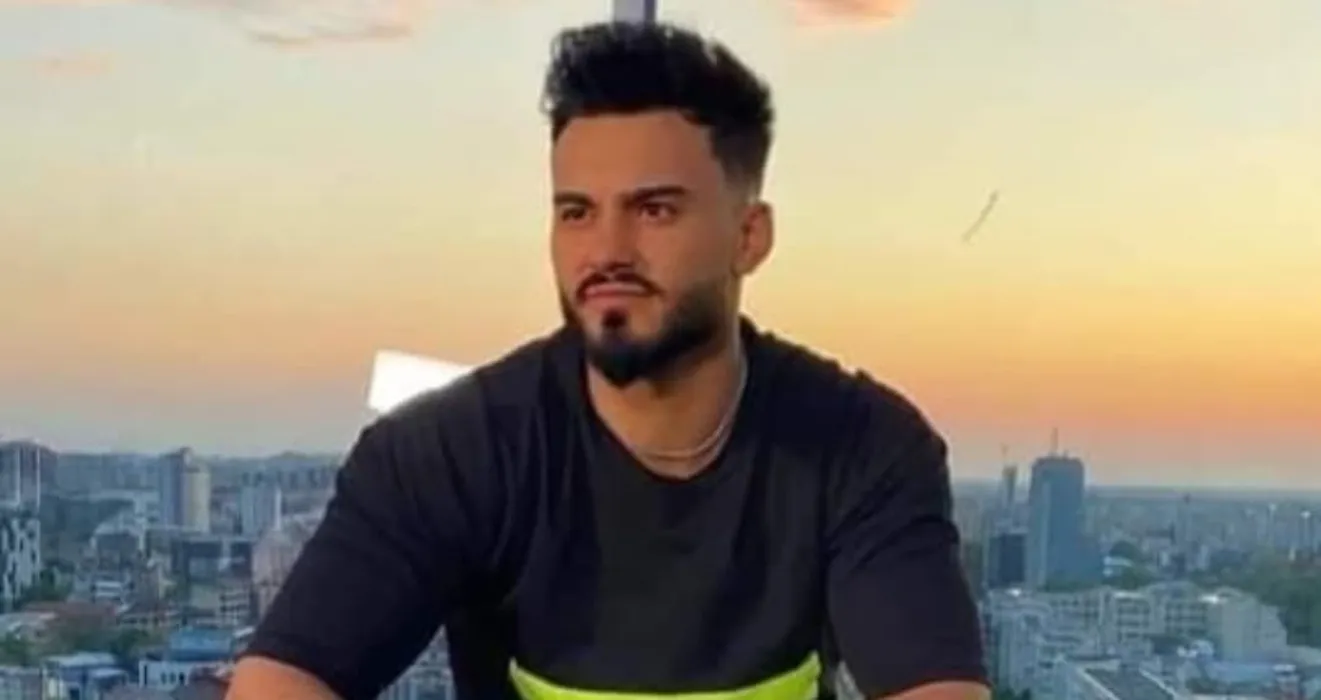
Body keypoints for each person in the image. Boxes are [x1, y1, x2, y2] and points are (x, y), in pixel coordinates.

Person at [228, 19, 988, 700]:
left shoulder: (861, 449)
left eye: (654, 210)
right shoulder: (449, 452)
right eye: (577, 212)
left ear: (749, 237)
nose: (606, 251)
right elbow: (281, 679)